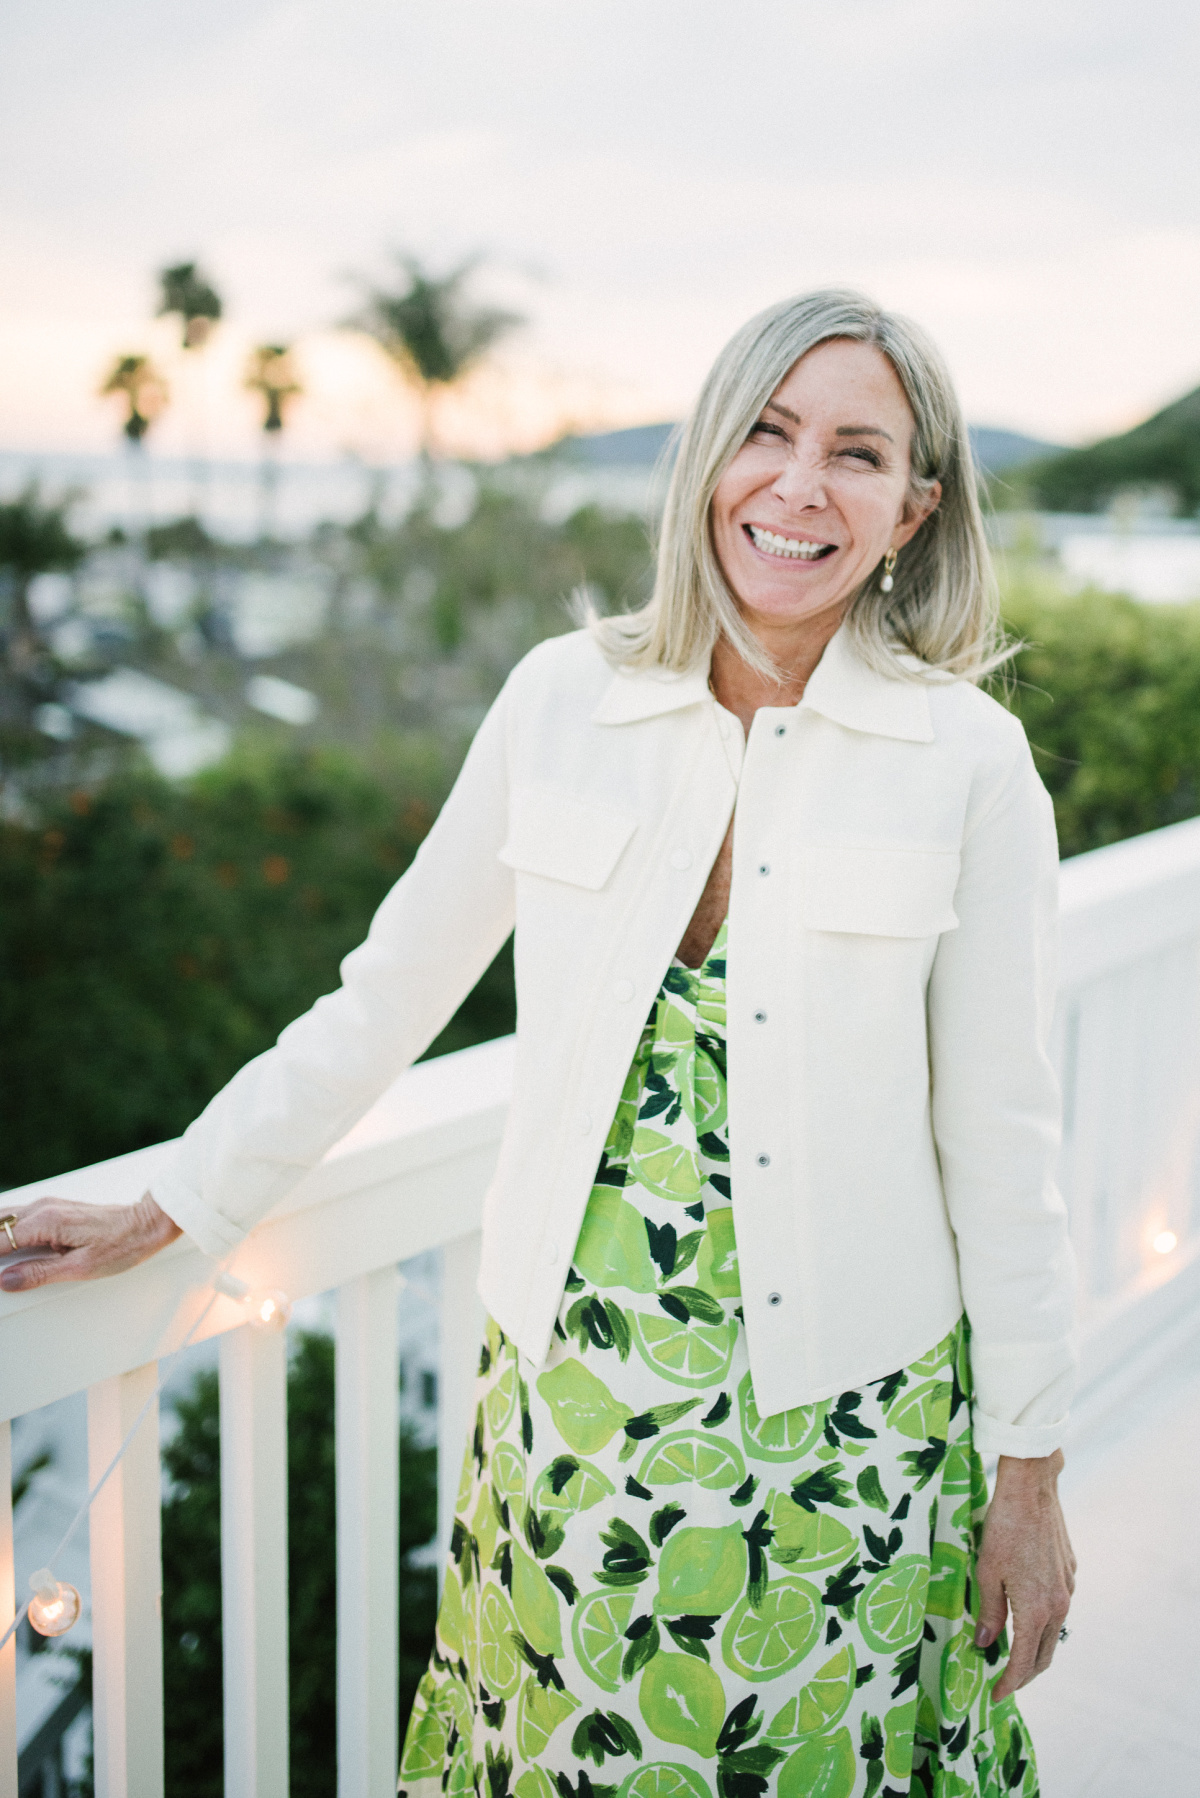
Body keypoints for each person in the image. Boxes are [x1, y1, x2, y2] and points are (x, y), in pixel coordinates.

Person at [3, 289, 1075, 1797]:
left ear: (913, 506)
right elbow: (385, 997)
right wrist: (179, 1198)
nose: (797, 484)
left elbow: (1007, 1136)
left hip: (853, 1425)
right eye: (764, 432)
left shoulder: (970, 764)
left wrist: (1028, 1465)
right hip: (571, 1418)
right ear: (706, 458)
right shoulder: (560, 703)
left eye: (855, 451)